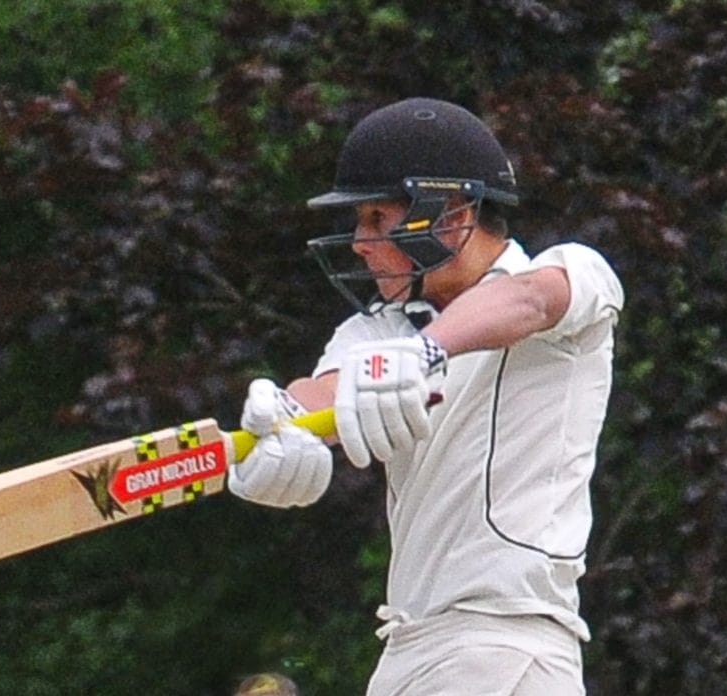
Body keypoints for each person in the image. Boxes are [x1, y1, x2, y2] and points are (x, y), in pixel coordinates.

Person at [227, 98, 624, 695]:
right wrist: (278, 423)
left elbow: (532, 301)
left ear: (451, 212)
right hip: (410, 647)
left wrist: (428, 350)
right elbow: (326, 390)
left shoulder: (568, 275)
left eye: (376, 218)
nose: (360, 242)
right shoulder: (382, 328)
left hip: (506, 643)